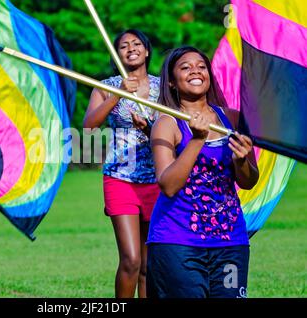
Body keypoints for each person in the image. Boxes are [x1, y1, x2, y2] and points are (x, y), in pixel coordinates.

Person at [146, 46, 259, 298]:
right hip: (177, 241)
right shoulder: (166, 124)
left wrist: (241, 161)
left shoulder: (233, 118)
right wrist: (197, 140)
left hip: (231, 242)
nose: (195, 71)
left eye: (201, 66)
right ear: (172, 83)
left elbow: (249, 180)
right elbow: (168, 185)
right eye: (185, 67)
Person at [83, 29, 161, 298]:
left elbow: (175, 128)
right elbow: (89, 127)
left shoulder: (164, 87)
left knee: (149, 265)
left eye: (137, 43)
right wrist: (117, 94)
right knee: (131, 260)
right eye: (124, 46)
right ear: (117, 54)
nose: (131, 48)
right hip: (120, 178)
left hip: (158, 179)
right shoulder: (105, 86)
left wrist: (150, 127)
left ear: (147, 50)